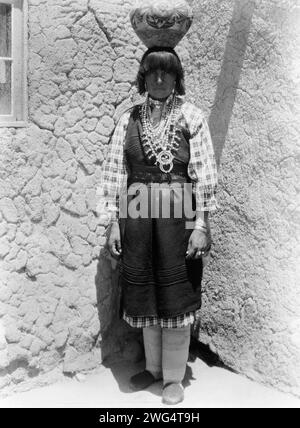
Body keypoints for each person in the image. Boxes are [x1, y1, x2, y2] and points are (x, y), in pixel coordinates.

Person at [100, 47, 218, 405]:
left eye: (167, 72)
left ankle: (173, 378)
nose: (160, 79)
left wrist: (201, 225)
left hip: (179, 215)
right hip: (136, 214)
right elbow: (114, 173)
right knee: (145, 295)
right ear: (143, 77)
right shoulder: (128, 119)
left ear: (177, 78)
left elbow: (205, 175)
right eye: (152, 72)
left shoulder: (192, 117)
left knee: (175, 295)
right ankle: (152, 370)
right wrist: (112, 224)